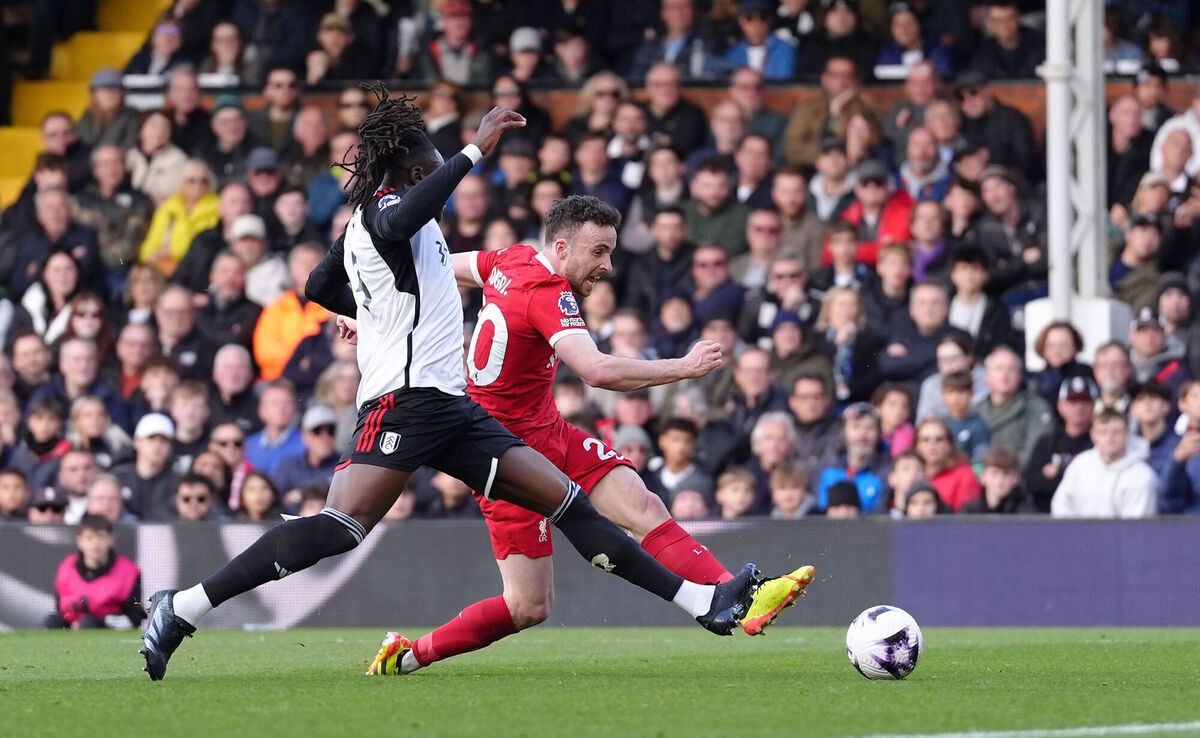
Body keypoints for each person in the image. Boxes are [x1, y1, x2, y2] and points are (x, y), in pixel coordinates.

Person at [141, 90, 771, 681]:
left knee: (569, 504)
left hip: (451, 409)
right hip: (405, 404)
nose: (443, 174)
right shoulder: (385, 212)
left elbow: (320, 288)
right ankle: (185, 604)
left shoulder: (408, 228)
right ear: (417, 172)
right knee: (340, 526)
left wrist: (376, 313)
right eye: (436, 165)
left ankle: (703, 602)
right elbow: (381, 233)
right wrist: (474, 151)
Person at [408, 193, 814, 673]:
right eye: (598, 251)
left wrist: (368, 315)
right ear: (561, 247)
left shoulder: (509, 259)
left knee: (644, 506)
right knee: (528, 605)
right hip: (506, 457)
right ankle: (412, 655)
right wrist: (682, 367)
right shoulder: (548, 291)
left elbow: (433, 265)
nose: (607, 265)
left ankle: (742, 598)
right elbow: (596, 371)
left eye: (610, 251)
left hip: (549, 433)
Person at [1051, 410, 1157, 519]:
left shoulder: (1141, 476)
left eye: (1116, 431)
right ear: (1093, 435)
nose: (1110, 437)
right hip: (1077, 535)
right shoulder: (1079, 465)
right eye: (1103, 432)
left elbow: (1136, 528)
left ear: (1127, 433)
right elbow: (1061, 506)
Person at [48, 515, 143, 630]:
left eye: (101, 537)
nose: (95, 544)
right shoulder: (66, 568)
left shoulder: (128, 572)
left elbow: (135, 616)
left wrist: (101, 622)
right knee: (52, 623)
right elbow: (60, 610)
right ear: (79, 541)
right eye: (89, 538)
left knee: (88, 624)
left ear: (110, 539)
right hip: (71, 627)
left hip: (109, 627)